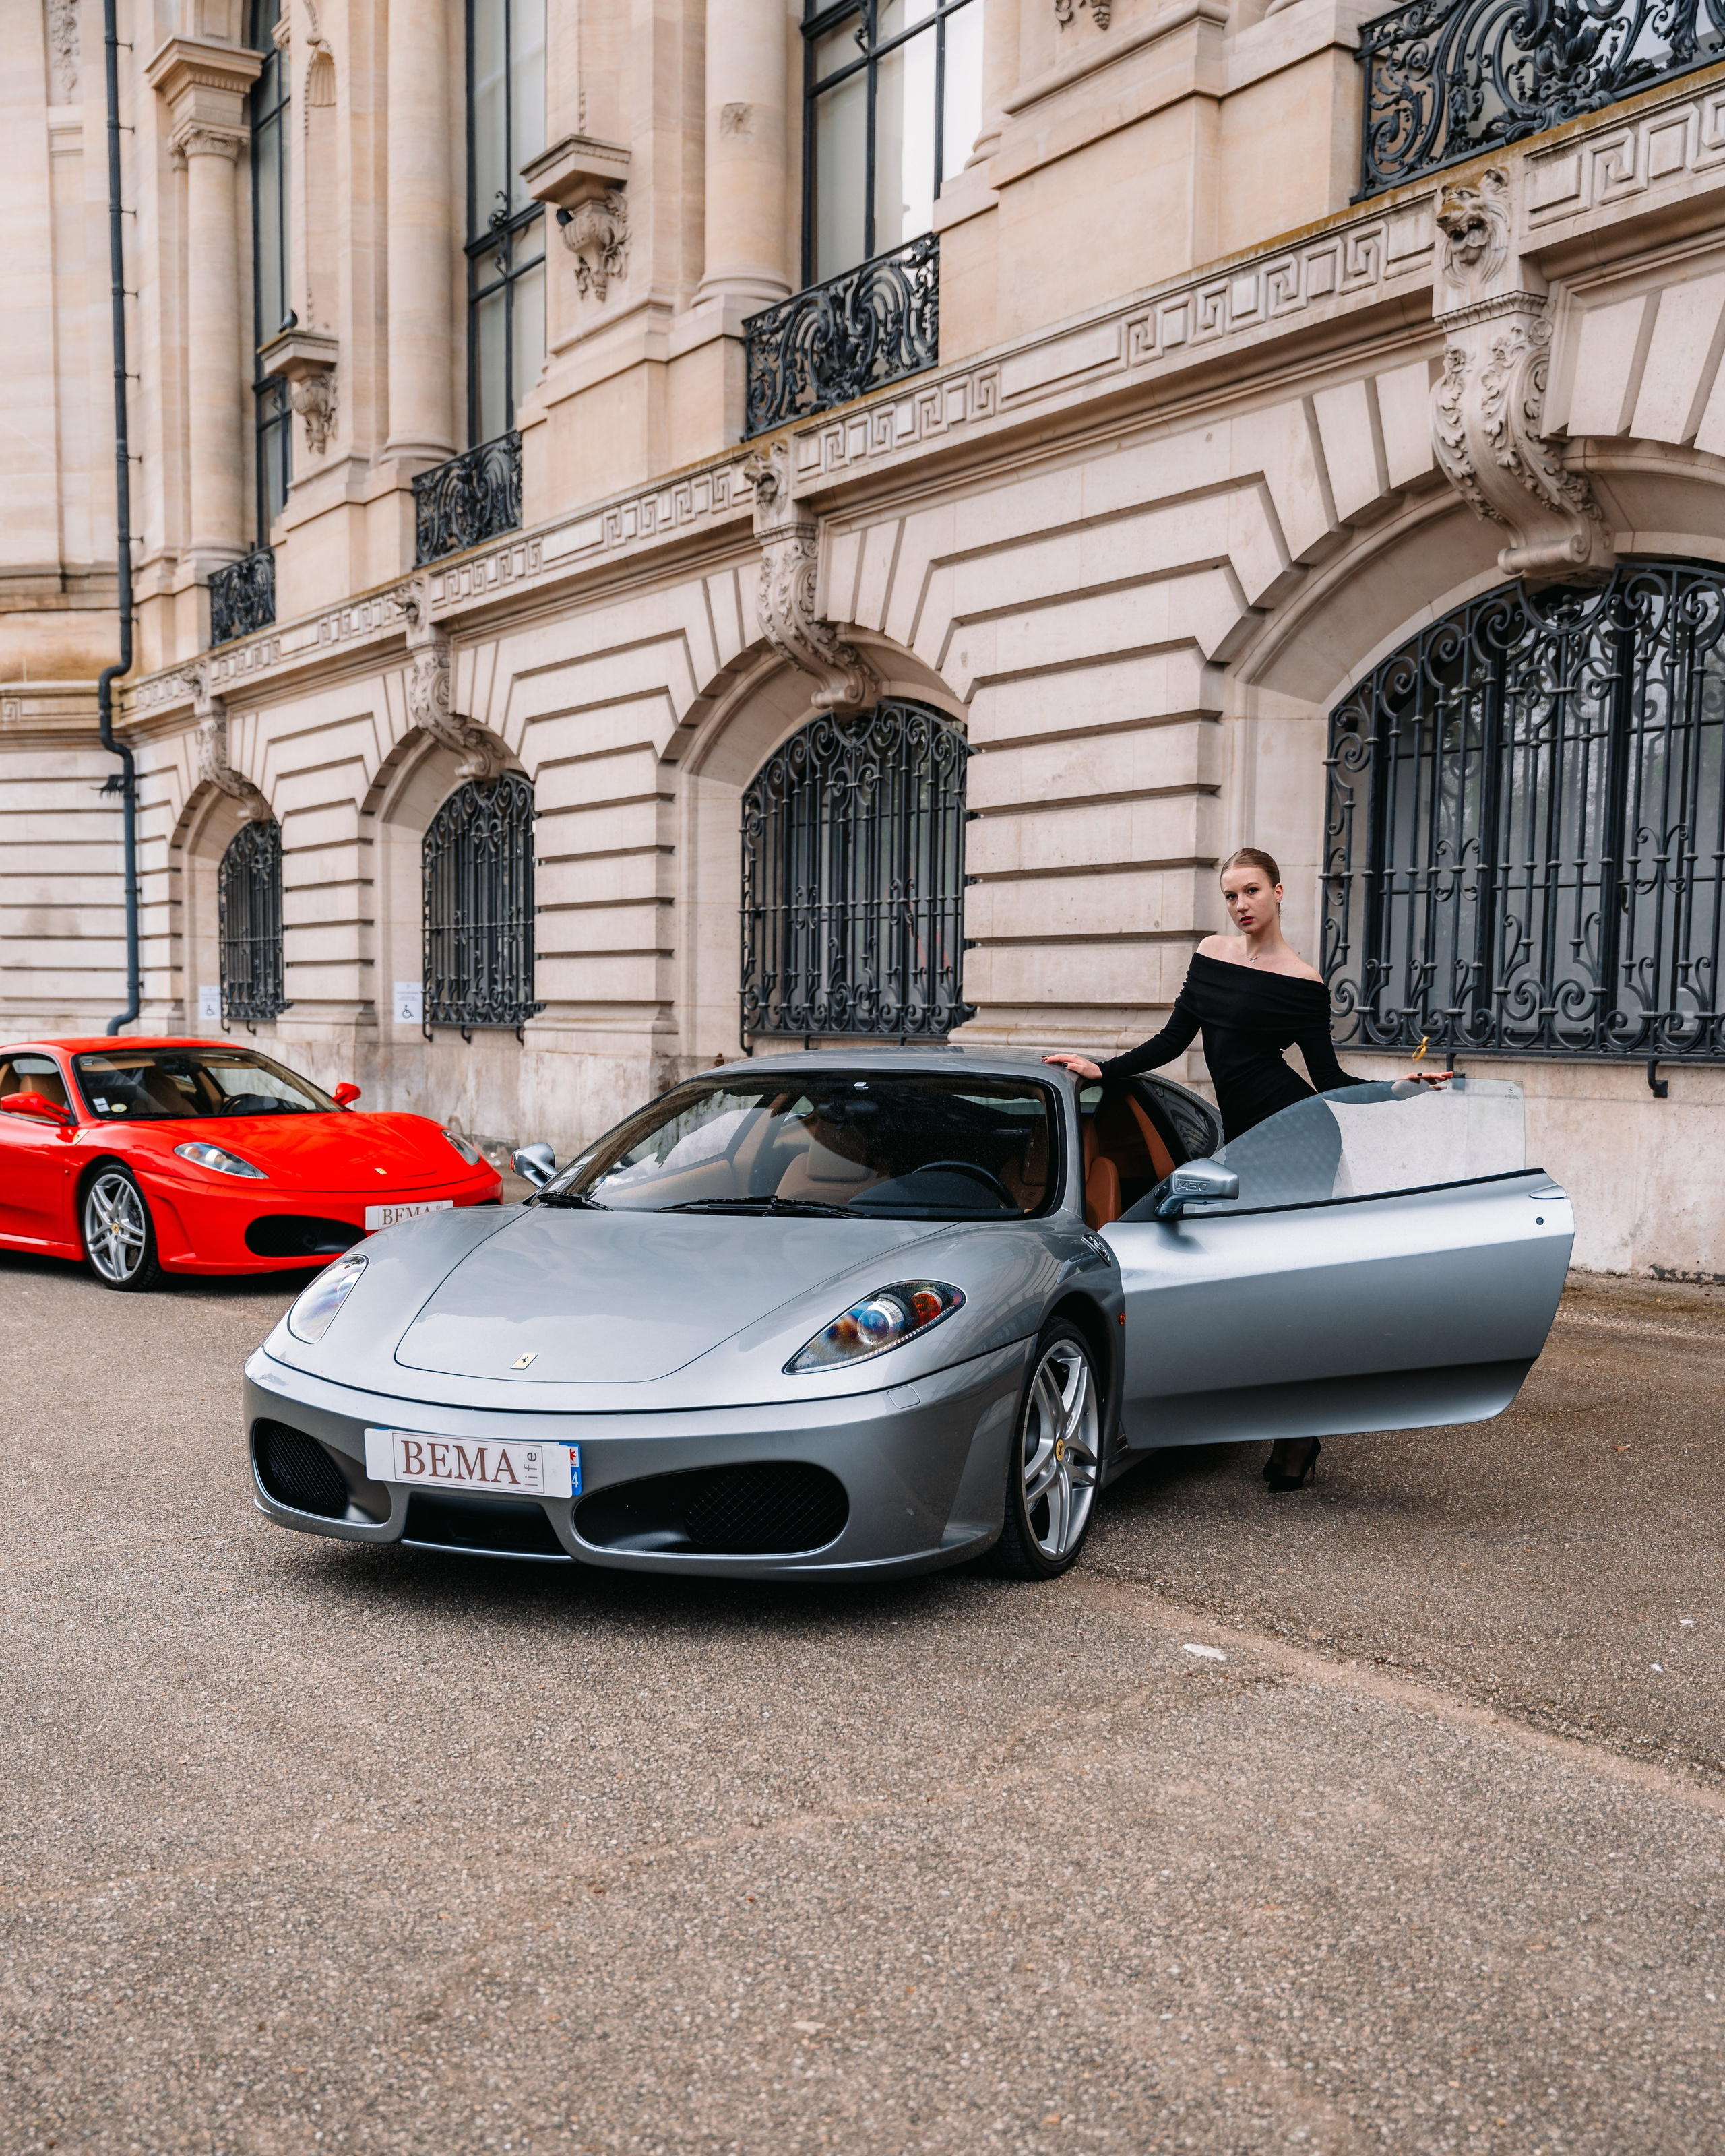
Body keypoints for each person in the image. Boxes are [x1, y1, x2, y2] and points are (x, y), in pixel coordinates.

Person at [1044, 846, 1447, 1493]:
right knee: (1250, 1284)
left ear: (1278, 892)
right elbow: (1173, 1040)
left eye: (1252, 891)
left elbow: (1329, 1081)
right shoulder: (1210, 954)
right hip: (1246, 1143)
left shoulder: (1304, 981)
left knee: (1292, 1286)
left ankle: (1299, 1432)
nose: (1240, 905)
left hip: (1300, 1137)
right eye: (1231, 895)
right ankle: (1262, 1409)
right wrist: (1103, 1068)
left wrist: (1399, 1089)